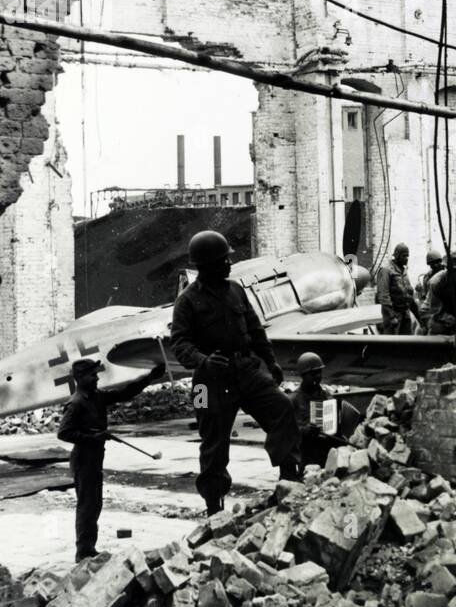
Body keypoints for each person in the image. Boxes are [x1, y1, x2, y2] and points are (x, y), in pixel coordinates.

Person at [171, 230, 302, 515]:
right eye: (223, 260)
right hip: (207, 385)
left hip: (247, 371)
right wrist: (204, 361)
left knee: (282, 409)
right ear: (206, 265)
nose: (230, 264)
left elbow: (255, 329)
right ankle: (214, 507)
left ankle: (288, 480)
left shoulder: (236, 290)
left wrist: (271, 362)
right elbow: (179, 344)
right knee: (213, 443)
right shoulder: (187, 301)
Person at [57, 356, 165, 561]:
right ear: (81, 378)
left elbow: (125, 393)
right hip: (83, 460)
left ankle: (89, 548)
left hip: (95, 458)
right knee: (87, 505)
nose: (97, 378)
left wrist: (149, 378)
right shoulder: (77, 402)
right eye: (93, 375)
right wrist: (93, 437)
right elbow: (63, 433)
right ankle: (83, 552)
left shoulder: (95, 396)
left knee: (94, 504)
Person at [289, 351, 343, 469]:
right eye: (313, 373)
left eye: (319, 372)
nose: (318, 376)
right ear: (303, 375)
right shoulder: (293, 400)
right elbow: (287, 432)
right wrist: (304, 430)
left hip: (325, 451)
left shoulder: (328, 397)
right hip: (305, 454)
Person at [375, 243, 420, 333]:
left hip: (405, 314)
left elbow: (409, 295)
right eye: (404, 256)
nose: (406, 258)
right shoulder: (386, 270)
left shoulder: (404, 271)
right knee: (393, 344)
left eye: (407, 256)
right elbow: (384, 296)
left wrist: (419, 317)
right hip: (393, 315)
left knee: (407, 344)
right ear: (397, 256)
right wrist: (391, 317)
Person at [415, 247, 445, 330]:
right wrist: (420, 292)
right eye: (432, 263)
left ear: (440, 261)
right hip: (433, 307)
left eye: (437, 262)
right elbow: (426, 297)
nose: (435, 265)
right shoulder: (427, 278)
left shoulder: (447, 273)